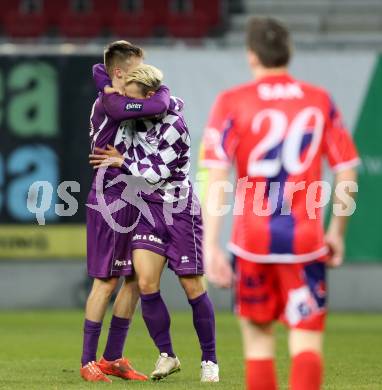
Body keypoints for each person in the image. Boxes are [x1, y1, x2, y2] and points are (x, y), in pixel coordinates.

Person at [200, 17, 359, 390]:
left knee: (258, 344)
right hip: (305, 242)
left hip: (251, 242)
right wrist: (336, 231)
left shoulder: (231, 101)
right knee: (305, 341)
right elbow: (347, 172)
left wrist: (210, 247)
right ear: (289, 52)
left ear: (251, 55)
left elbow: (217, 178)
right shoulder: (318, 100)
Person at [90, 64, 220, 382]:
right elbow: (98, 71)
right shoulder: (134, 120)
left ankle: (210, 361)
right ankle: (168, 356)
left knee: (192, 286)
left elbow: (156, 171)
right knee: (145, 283)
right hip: (147, 210)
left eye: (134, 100)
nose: (127, 108)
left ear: (149, 97)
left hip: (179, 211)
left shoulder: (175, 123)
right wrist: (111, 84)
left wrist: (121, 161)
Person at [81, 41, 171, 383]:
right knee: (105, 281)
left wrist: (103, 76)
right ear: (120, 73)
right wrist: (107, 82)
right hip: (111, 197)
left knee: (133, 279)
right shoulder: (111, 102)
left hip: (136, 195)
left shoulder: (113, 90)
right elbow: (160, 101)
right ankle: (88, 361)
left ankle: (113, 357)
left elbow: (102, 71)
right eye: (136, 71)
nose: (145, 79)